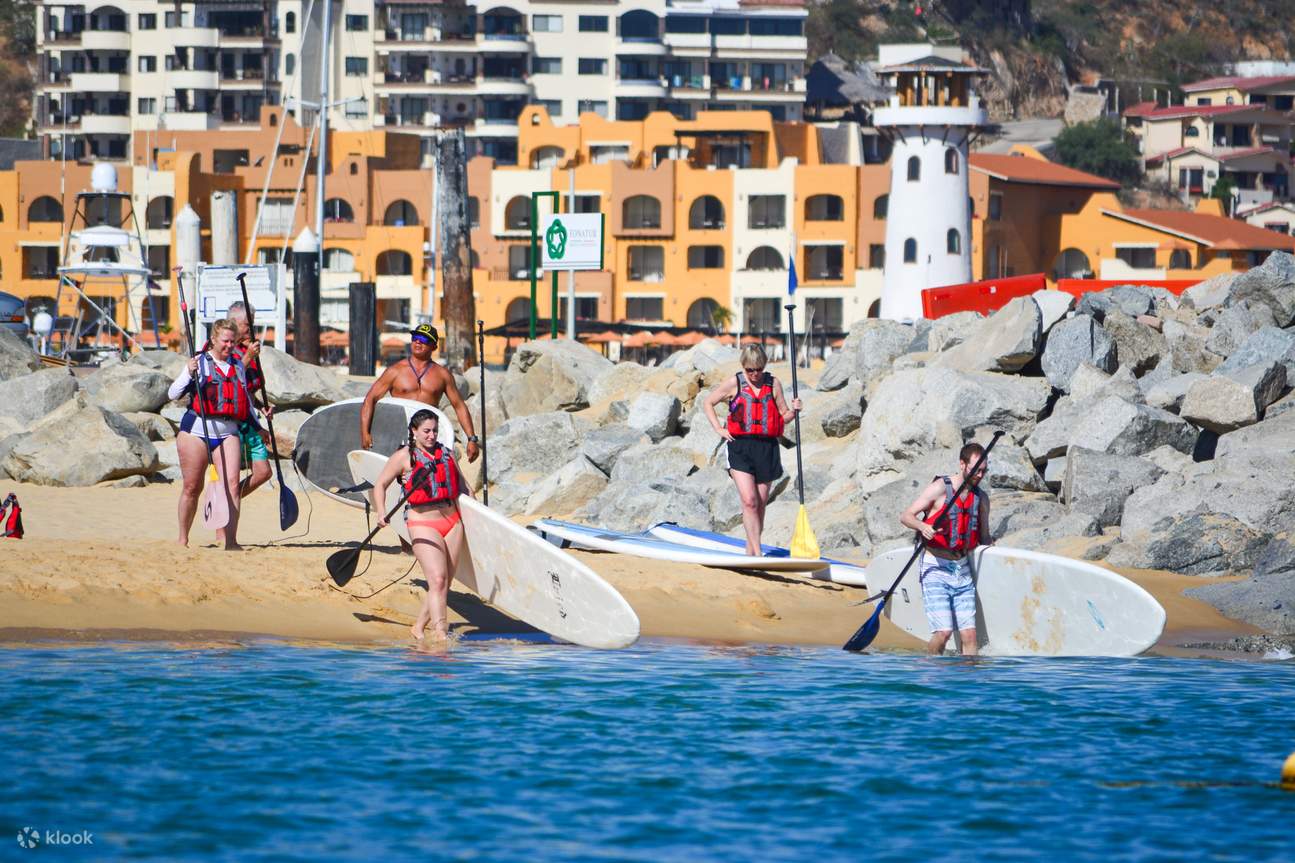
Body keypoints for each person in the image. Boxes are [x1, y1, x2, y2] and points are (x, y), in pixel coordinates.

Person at [371, 409, 471, 642]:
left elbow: (465, 487)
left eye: (434, 430)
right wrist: (381, 511)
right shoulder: (404, 456)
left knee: (444, 581)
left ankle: (418, 627)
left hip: (452, 521)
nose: (431, 435)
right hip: (422, 522)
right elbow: (380, 484)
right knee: (437, 580)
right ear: (414, 431)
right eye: (426, 431)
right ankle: (440, 634)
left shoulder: (446, 454)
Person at [701, 344, 801, 556]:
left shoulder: (773, 384)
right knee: (749, 500)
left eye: (758, 369)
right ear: (743, 367)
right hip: (740, 446)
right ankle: (757, 551)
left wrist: (795, 410)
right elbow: (708, 402)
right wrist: (718, 428)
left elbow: (783, 415)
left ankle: (750, 550)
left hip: (767, 448)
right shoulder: (734, 383)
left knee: (761, 503)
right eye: (750, 370)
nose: (754, 374)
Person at [169, 318, 257, 550]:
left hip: (228, 432)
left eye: (233, 342)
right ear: (213, 340)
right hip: (197, 431)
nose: (229, 346)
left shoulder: (238, 366)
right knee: (192, 487)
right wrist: (189, 372)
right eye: (225, 341)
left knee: (232, 486)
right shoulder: (199, 362)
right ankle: (183, 539)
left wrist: (260, 425)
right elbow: (173, 393)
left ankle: (231, 541)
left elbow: (245, 402)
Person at [899, 443, 993, 656]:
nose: (980, 475)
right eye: (976, 469)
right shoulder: (940, 488)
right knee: (944, 632)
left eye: (984, 470)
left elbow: (985, 537)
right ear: (962, 464)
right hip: (935, 567)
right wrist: (923, 527)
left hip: (962, 569)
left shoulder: (981, 499)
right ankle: (932, 672)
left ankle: (967, 683)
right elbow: (906, 516)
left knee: (969, 635)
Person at [360, 324, 480, 463]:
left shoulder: (442, 375)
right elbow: (370, 398)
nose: (418, 341)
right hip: (399, 435)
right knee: (398, 477)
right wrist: (365, 432)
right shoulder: (395, 371)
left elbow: (459, 406)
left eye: (424, 339)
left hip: (428, 437)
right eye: (415, 337)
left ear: (434, 346)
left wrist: (471, 439)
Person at [224, 301, 273, 499]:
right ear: (234, 323)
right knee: (231, 477)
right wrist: (248, 357)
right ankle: (229, 500)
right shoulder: (223, 350)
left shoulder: (245, 350)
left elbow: (246, 388)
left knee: (263, 472)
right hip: (234, 422)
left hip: (249, 417)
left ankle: (231, 499)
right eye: (247, 324)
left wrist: (261, 407)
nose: (250, 329)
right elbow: (228, 379)